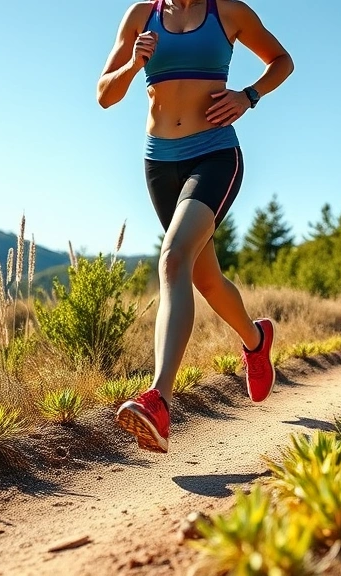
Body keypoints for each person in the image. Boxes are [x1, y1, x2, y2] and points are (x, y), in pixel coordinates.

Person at [96, 0, 294, 453]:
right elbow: (105, 95)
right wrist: (133, 64)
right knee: (204, 277)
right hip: (160, 164)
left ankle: (159, 400)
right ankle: (256, 338)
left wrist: (249, 96)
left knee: (172, 259)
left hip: (215, 154)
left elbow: (282, 60)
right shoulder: (140, 16)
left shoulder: (227, 12)